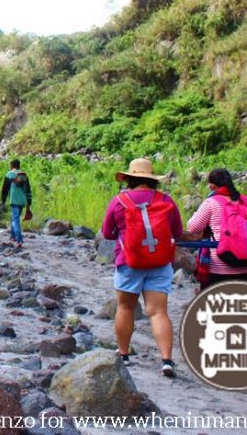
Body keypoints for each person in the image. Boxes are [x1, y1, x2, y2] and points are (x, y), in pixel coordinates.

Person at [101, 157, 182, 378]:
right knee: (158, 312)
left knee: (125, 307)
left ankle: (124, 353)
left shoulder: (119, 201)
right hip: (159, 262)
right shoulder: (166, 200)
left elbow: (107, 233)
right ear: (152, 180)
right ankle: (166, 360)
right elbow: (177, 231)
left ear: (129, 179)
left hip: (129, 261)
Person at [185, 168, 247, 289]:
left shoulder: (211, 203)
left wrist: (196, 214)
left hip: (221, 269)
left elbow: (193, 227)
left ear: (212, 186)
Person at [0, 159, 32, 247]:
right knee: (14, 217)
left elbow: (5, 188)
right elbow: (28, 190)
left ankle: (19, 239)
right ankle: (13, 236)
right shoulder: (24, 175)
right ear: (19, 165)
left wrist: (3, 200)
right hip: (22, 201)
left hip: (14, 200)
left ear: (11, 166)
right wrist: (29, 202)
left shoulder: (9, 174)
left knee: (15, 220)